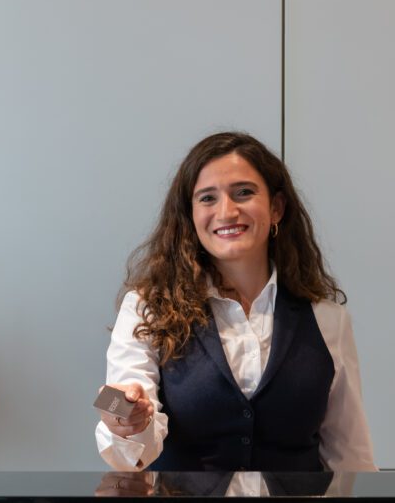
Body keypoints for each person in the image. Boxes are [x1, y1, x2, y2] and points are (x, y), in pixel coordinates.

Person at [95, 131, 376, 472]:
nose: (226, 211)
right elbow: (128, 455)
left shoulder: (328, 319)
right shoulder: (146, 308)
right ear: (191, 215)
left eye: (243, 193)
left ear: (276, 208)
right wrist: (127, 420)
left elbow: (351, 459)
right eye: (207, 198)